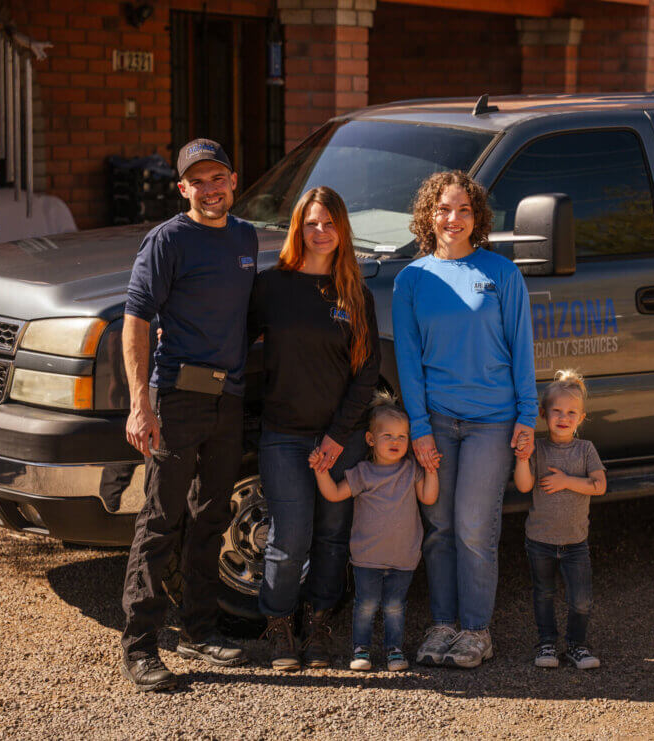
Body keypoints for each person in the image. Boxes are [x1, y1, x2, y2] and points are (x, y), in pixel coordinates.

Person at [120, 138, 257, 691]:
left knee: (210, 516)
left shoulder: (246, 237)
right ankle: (140, 645)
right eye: (197, 180)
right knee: (160, 520)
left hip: (229, 400)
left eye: (217, 177)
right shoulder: (167, 240)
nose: (210, 188)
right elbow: (136, 319)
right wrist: (140, 404)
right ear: (183, 188)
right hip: (176, 399)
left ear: (231, 180)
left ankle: (201, 628)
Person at [392, 170, 537, 669]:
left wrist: (528, 415)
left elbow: (522, 349)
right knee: (439, 528)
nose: (453, 219)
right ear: (427, 216)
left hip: (492, 422)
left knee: (476, 527)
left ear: (478, 218)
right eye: (443, 209)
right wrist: (419, 427)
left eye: (464, 210)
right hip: (437, 421)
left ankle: (476, 631)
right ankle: (443, 625)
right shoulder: (411, 280)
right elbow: (409, 361)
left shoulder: (501, 274)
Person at [250, 186, 380, 671]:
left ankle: (320, 622)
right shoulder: (271, 287)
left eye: (328, 223)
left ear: (342, 229)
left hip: (339, 439)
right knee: (290, 537)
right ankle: (279, 623)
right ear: (298, 229)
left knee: (332, 536)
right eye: (311, 223)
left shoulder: (354, 293)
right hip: (283, 434)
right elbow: (231, 336)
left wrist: (336, 437)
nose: (320, 232)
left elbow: (368, 373)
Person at [309, 393, 439, 672]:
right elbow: (333, 494)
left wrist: (431, 471)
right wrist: (321, 471)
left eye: (402, 437)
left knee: (395, 607)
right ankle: (361, 649)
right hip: (367, 556)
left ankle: (394, 650)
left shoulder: (410, 470)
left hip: (403, 556)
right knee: (366, 605)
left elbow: (428, 498)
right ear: (370, 439)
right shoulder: (363, 473)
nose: (395, 442)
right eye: (388, 436)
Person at [513, 369, 606, 670]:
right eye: (556, 411)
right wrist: (522, 457)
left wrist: (567, 481)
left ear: (581, 418)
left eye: (571, 412)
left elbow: (600, 486)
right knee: (544, 595)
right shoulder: (538, 449)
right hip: (540, 541)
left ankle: (577, 646)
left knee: (580, 600)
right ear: (542, 414)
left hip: (575, 542)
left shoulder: (585, 449)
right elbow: (524, 486)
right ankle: (546, 644)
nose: (563, 418)